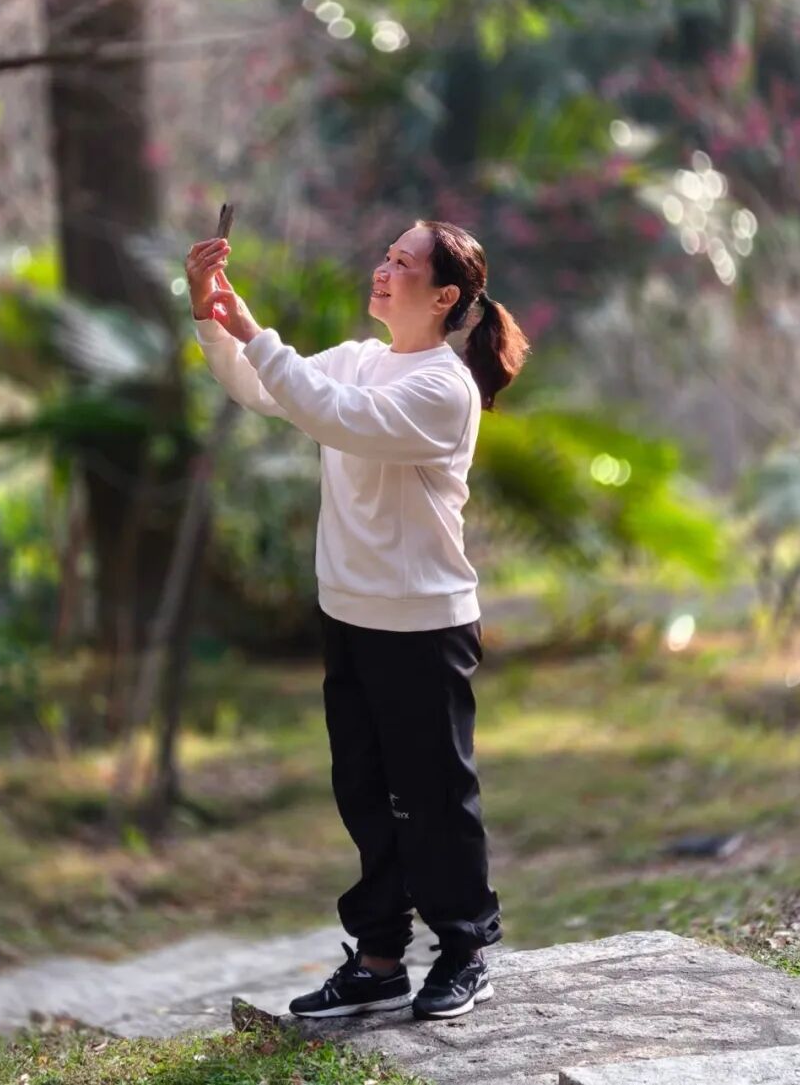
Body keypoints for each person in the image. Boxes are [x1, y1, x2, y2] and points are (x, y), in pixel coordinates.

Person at [185, 219, 529, 1021]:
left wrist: (252, 328)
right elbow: (266, 387)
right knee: (366, 791)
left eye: (402, 262)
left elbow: (335, 416)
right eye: (386, 254)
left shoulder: (443, 388)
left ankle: (466, 949)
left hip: (424, 624)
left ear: (444, 296)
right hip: (351, 614)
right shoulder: (362, 359)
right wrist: (211, 314)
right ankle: (378, 958)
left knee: (435, 795)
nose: (383, 268)